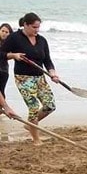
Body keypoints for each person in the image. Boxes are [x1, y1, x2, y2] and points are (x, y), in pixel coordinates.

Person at [0, 13, 59, 145]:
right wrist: (13, 55)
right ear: (25, 25)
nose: (36, 30)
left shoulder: (42, 40)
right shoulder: (14, 38)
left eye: (38, 27)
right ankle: (36, 139)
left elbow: (47, 60)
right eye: (34, 27)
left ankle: (30, 124)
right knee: (33, 107)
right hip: (23, 78)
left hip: (40, 77)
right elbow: (1, 54)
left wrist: (53, 73)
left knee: (50, 106)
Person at [0, 23, 13, 98]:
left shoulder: (10, 44)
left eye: (6, 32)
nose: (4, 33)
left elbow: (11, 55)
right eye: (2, 31)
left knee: (1, 90)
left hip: (4, 70)